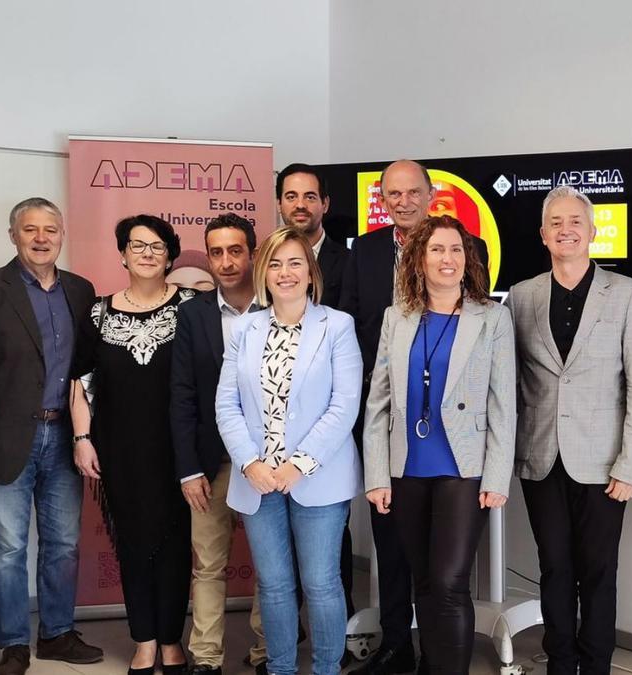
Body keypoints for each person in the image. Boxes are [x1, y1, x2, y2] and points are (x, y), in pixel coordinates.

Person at [340, 159, 488, 675]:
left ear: (430, 195)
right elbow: (353, 322)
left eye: (412, 191)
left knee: (443, 573)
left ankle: (439, 657)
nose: (403, 201)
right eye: (392, 193)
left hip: (456, 438)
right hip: (392, 420)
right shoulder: (365, 251)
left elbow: (478, 332)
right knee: (394, 547)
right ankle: (397, 644)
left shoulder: (467, 249)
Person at [506, 185, 632, 675]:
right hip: (540, 455)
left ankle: (595, 666)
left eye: (575, 221)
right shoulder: (522, 296)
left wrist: (630, 463)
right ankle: (560, 663)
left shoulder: (630, 295)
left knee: (598, 571)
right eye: (556, 223)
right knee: (554, 567)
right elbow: (509, 379)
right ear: (543, 235)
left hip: (603, 461)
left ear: (593, 232)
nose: (565, 230)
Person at [363, 215, 515, 674]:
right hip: (407, 467)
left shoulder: (493, 318)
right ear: (418, 259)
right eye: (436, 250)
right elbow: (379, 403)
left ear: (468, 258)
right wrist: (376, 475)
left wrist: (497, 476)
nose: (446, 259)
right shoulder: (398, 317)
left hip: (463, 469)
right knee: (424, 582)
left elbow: (504, 403)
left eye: (455, 249)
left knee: (450, 583)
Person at [0, 198, 102, 675]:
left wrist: (85, 430)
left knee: (63, 543)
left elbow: (86, 369)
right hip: (6, 438)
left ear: (62, 235)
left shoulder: (81, 292)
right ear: (13, 234)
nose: (41, 238)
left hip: (66, 438)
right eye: (30, 229)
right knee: (8, 548)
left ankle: (58, 634)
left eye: (51, 230)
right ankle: (14, 644)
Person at [215, 226, 362, 675]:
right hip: (257, 479)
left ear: (311, 271)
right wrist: (251, 462)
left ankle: (325, 669)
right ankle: (279, 669)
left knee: (320, 583)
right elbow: (227, 403)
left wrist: (298, 465)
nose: (285, 272)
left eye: (295, 262)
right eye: (275, 264)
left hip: (317, 477)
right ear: (263, 273)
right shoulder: (243, 328)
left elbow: (345, 404)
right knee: (275, 586)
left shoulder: (336, 325)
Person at [70, 214, 196, 675]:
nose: (146, 252)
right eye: (136, 245)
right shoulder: (98, 313)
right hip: (118, 449)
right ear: (122, 253)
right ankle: (143, 639)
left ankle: (171, 640)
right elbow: (81, 382)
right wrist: (82, 438)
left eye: (157, 245)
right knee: (133, 543)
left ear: (170, 255)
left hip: (178, 451)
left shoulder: (192, 307)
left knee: (175, 543)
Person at [169, 213, 267, 675]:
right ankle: (206, 659)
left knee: (272, 565)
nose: (226, 262)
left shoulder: (280, 305)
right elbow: (182, 394)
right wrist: (188, 469)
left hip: (269, 462)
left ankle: (269, 649)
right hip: (212, 463)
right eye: (217, 252)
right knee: (207, 565)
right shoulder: (192, 314)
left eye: (235, 251)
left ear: (252, 252)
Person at [278, 164, 347, 309]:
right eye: (291, 197)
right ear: (279, 204)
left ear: (325, 204)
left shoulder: (349, 262)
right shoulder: (264, 262)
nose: (300, 205)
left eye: (310, 197)